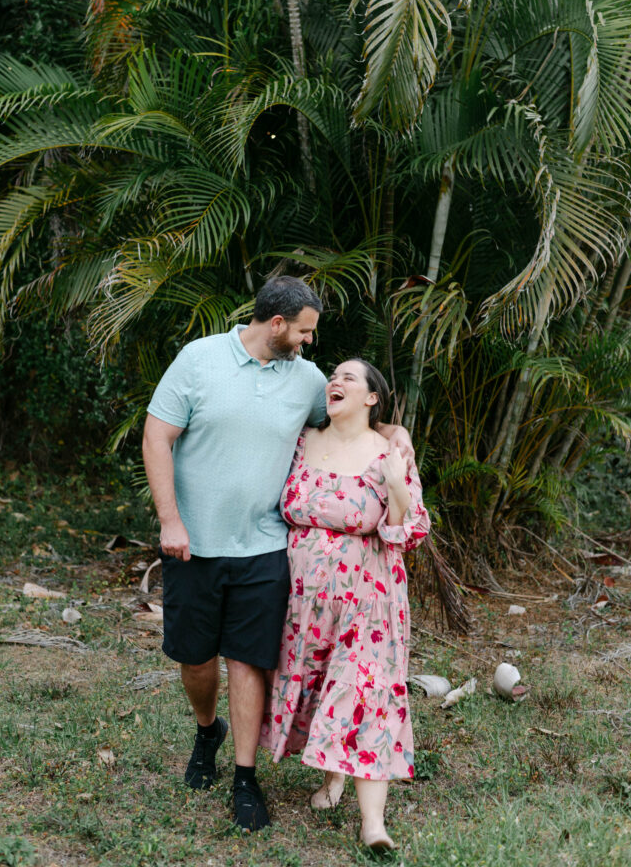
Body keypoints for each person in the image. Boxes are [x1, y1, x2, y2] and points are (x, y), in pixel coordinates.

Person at [142, 278, 412, 833]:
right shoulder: (199, 359)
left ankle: (245, 777)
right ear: (278, 325)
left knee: (247, 660)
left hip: (266, 547)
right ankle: (205, 729)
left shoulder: (308, 380)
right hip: (193, 542)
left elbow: (354, 417)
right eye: (306, 331)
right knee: (195, 659)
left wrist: (396, 430)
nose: (312, 343)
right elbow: (155, 435)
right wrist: (171, 519)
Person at [260, 358, 431, 851]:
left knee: (365, 691)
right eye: (332, 376)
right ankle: (333, 776)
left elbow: (410, 531)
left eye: (347, 377)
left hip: (368, 600)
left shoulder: (388, 453)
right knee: (320, 685)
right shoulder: (301, 441)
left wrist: (398, 484)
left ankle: (373, 824)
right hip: (301, 599)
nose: (334, 381)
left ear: (372, 397)